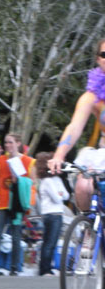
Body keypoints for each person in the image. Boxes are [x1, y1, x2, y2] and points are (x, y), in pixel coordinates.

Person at [49, 38, 105, 208]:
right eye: (104, 54)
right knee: (82, 185)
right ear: (98, 59)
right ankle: (88, 228)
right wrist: (59, 156)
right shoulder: (91, 98)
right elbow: (74, 127)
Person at [0, 133, 36, 275]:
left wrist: (20, 182)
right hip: (1, 200)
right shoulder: (0, 160)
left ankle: (14, 267)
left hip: (17, 202)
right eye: (6, 143)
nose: (8, 145)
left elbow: (33, 183)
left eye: (11, 142)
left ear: (18, 143)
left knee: (15, 235)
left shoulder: (28, 161)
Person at [36, 152, 69, 276]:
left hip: (56, 213)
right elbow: (57, 198)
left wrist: (60, 194)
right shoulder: (47, 181)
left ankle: (46, 267)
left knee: (50, 242)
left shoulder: (56, 179)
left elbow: (65, 195)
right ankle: (45, 269)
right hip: (51, 214)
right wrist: (60, 194)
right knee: (49, 243)